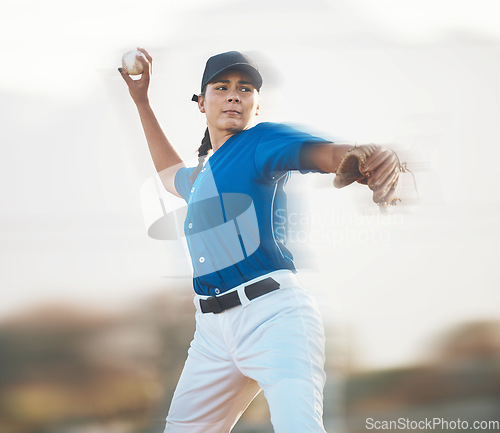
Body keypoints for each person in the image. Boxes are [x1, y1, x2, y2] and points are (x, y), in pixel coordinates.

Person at [119, 48, 400, 433]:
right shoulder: (202, 176)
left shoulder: (260, 143)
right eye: (222, 87)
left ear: (256, 105)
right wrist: (142, 101)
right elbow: (170, 172)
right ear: (201, 103)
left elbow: (323, 153)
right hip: (211, 334)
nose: (235, 94)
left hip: (274, 317)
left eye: (245, 88)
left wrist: (357, 157)